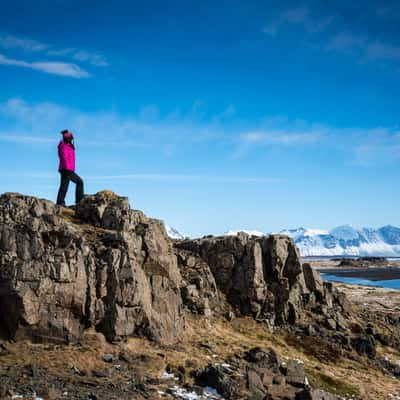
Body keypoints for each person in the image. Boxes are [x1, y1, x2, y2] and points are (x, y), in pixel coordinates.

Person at [56, 129, 84, 206]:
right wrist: (67, 168)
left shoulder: (68, 145)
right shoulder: (63, 145)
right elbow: (63, 157)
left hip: (67, 169)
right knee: (79, 182)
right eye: (71, 138)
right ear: (68, 138)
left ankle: (60, 202)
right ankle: (79, 200)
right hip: (66, 169)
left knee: (64, 186)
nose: (72, 139)